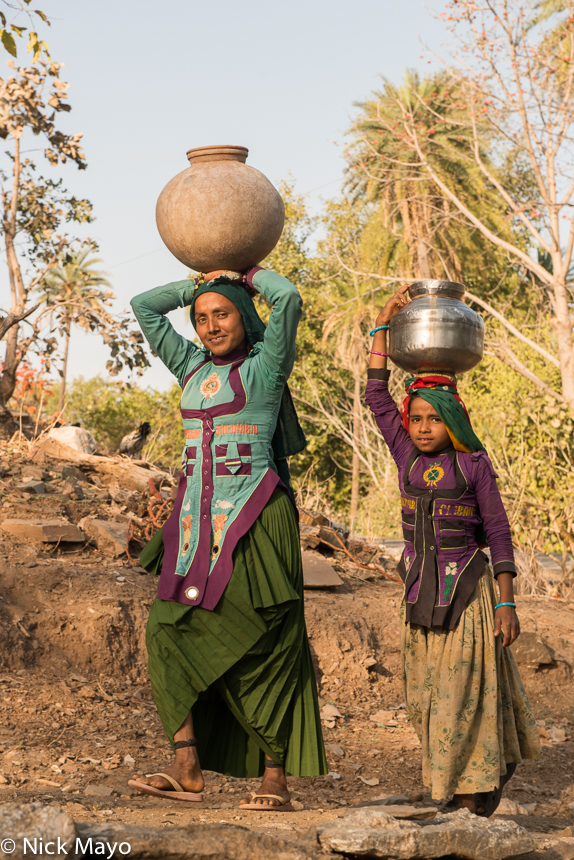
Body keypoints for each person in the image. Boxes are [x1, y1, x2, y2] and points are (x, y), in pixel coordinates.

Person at [127, 266, 327, 809]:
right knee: (165, 630)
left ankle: (275, 778)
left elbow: (288, 296)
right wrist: (193, 286)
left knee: (264, 640)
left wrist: (249, 273)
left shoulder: (267, 367)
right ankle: (186, 762)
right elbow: (144, 303)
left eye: (223, 312)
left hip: (258, 521)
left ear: (244, 315)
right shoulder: (190, 368)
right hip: (194, 530)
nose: (211, 325)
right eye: (202, 317)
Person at [364, 285, 541, 816]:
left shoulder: (474, 466)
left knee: (461, 703)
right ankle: (450, 781)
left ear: (452, 421)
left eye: (432, 419)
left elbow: (500, 534)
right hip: (419, 598)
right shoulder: (404, 458)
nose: (420, 428)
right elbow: (376, 397)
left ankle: (469, 792)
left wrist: (507, 605)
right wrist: (381, 324)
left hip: (468, 599)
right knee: (424, 702)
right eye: (415, 419)